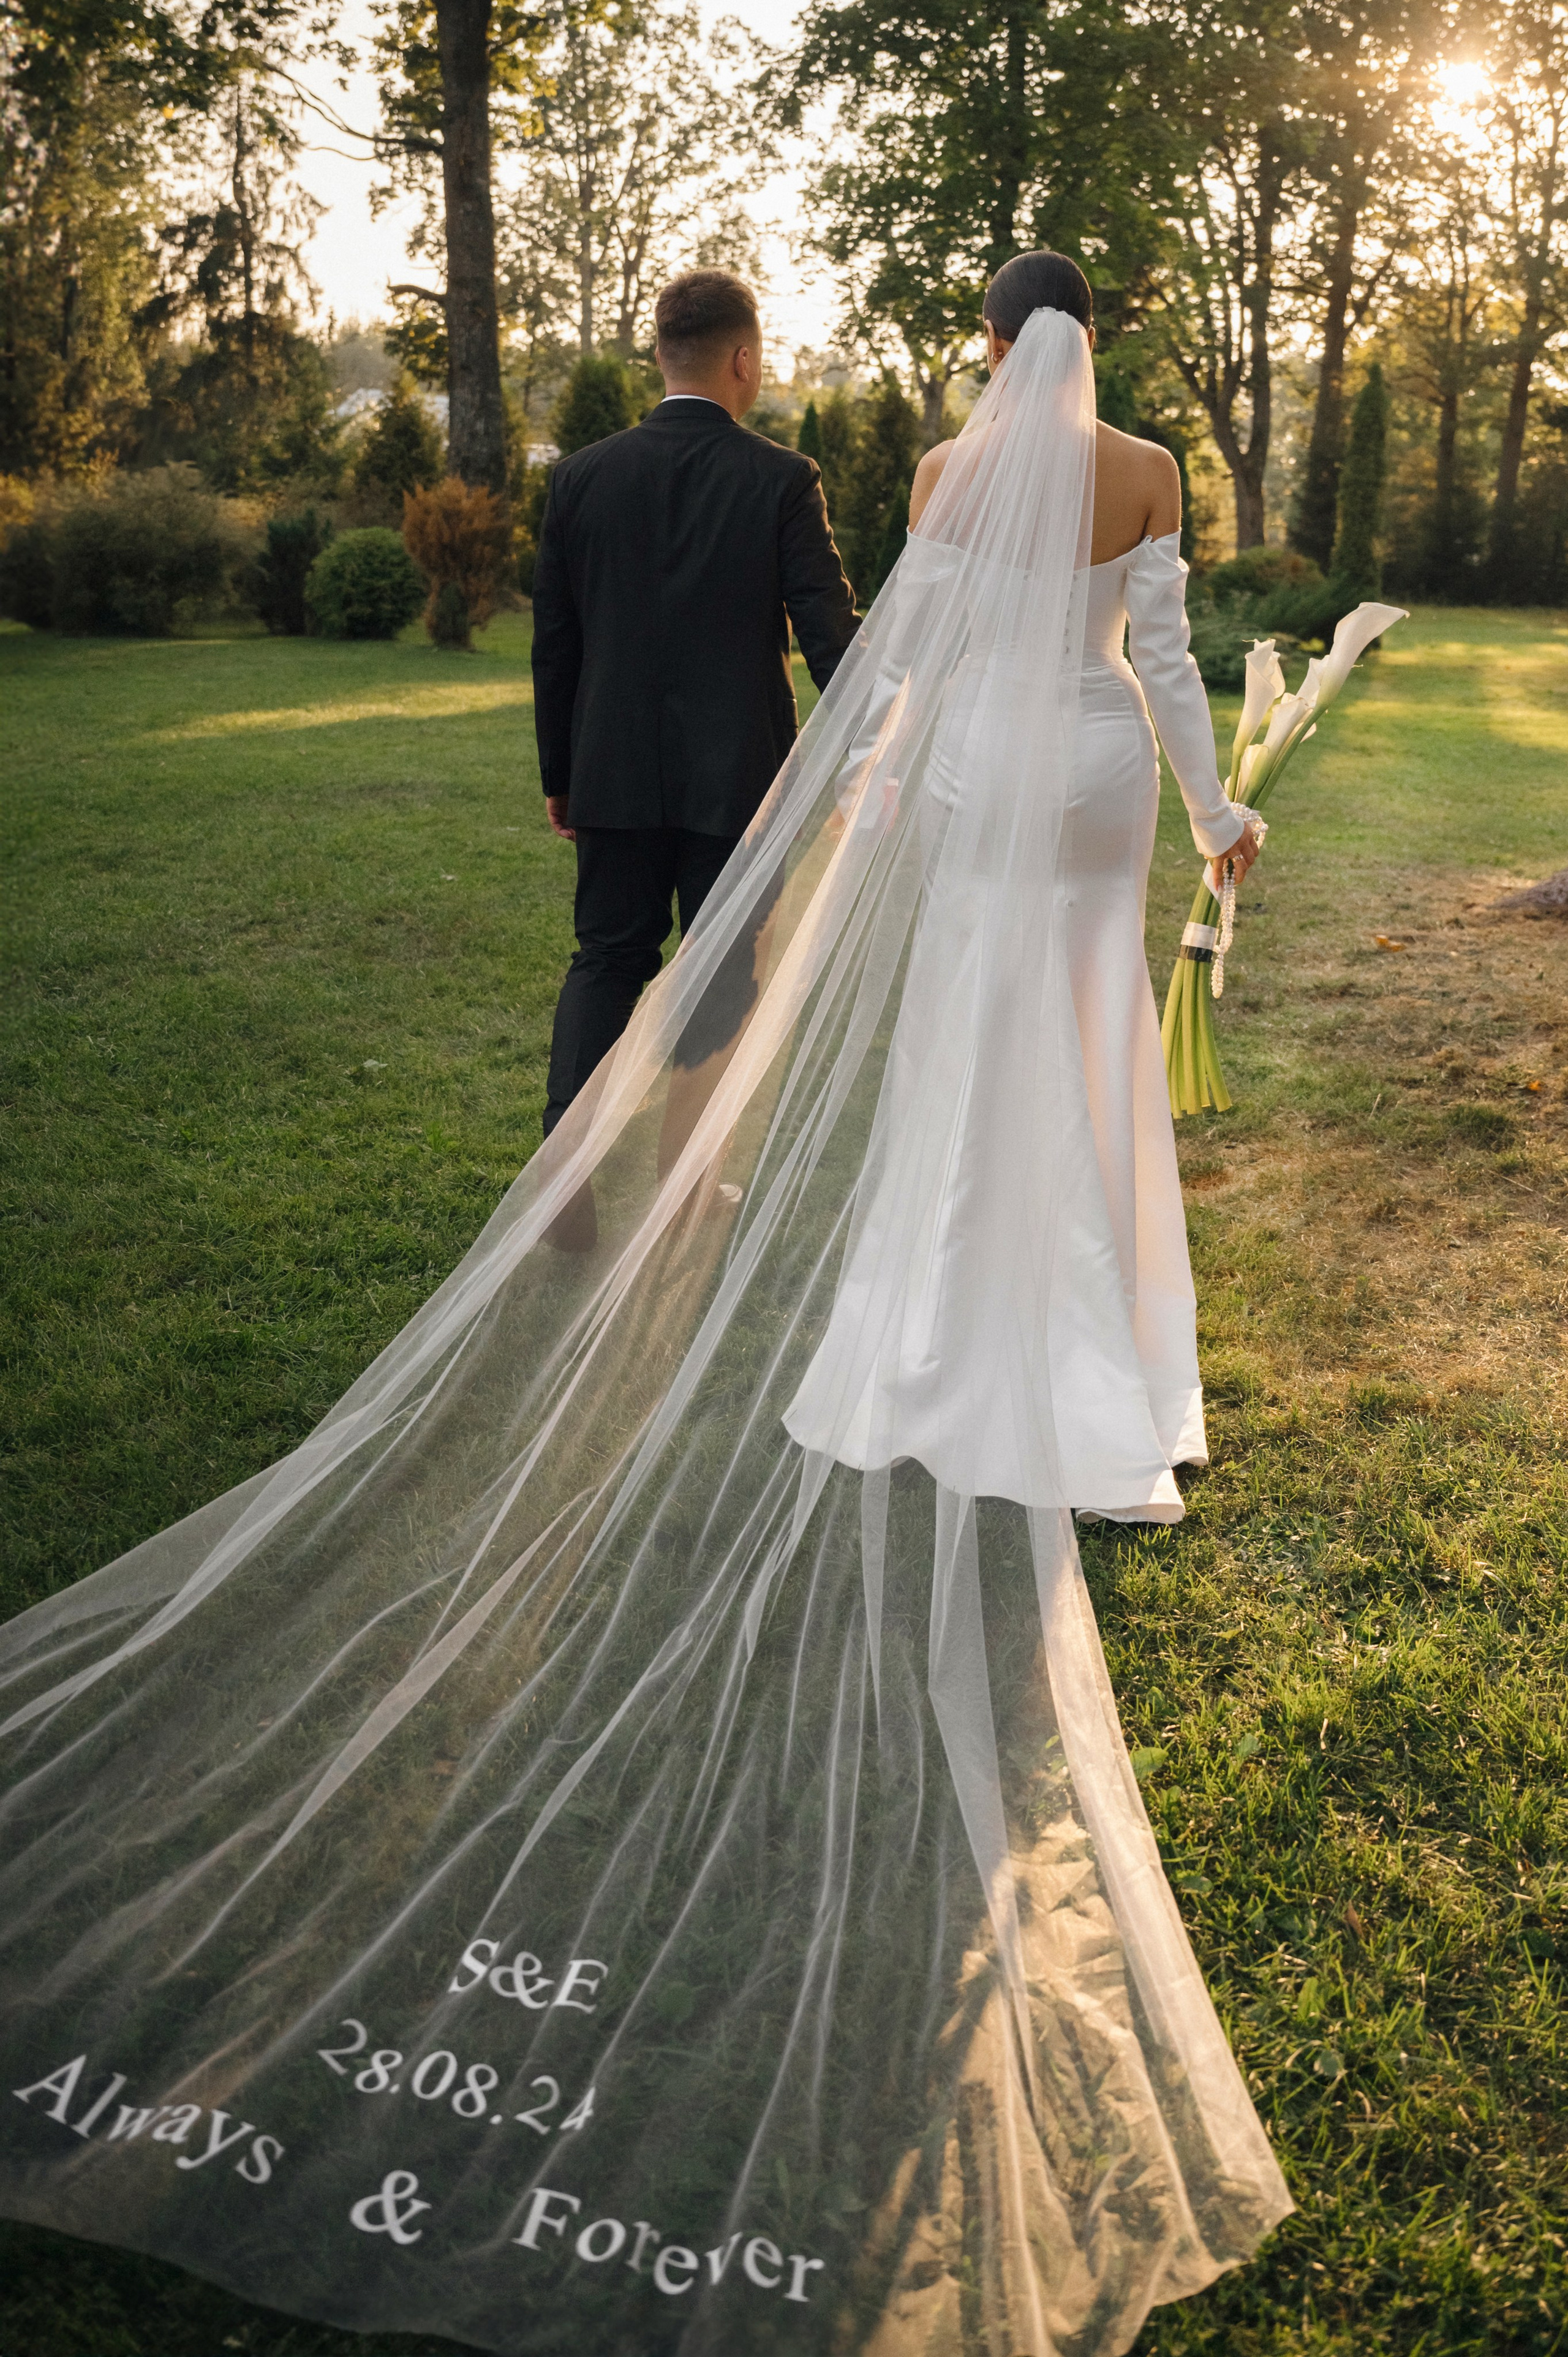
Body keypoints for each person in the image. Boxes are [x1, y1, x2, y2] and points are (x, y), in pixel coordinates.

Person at [0, 255, 1290, 2356]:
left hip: (981, 791)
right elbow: (1155, 657)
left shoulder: (959, 462)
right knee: (1085, 1064)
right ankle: (1097, 1363)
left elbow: (898, 669)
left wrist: (858, 795)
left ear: (987, 346)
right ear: (1097, 343)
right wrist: (1222, 813)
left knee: (962, 1074)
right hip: (1099, 787)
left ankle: (927, 1330)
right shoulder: (1149, 469)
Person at [531, 269, 858, 1150]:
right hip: (741, 781)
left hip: (611, 769)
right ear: (744, 360)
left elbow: (555, 648)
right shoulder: (783, 479)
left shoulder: (578, 479)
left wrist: (562, 776)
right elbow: (832, 641)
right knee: (722, 972)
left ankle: (564, 1156)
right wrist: (879, 745)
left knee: (607, 959)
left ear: (662, 357)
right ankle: (683, 1178)